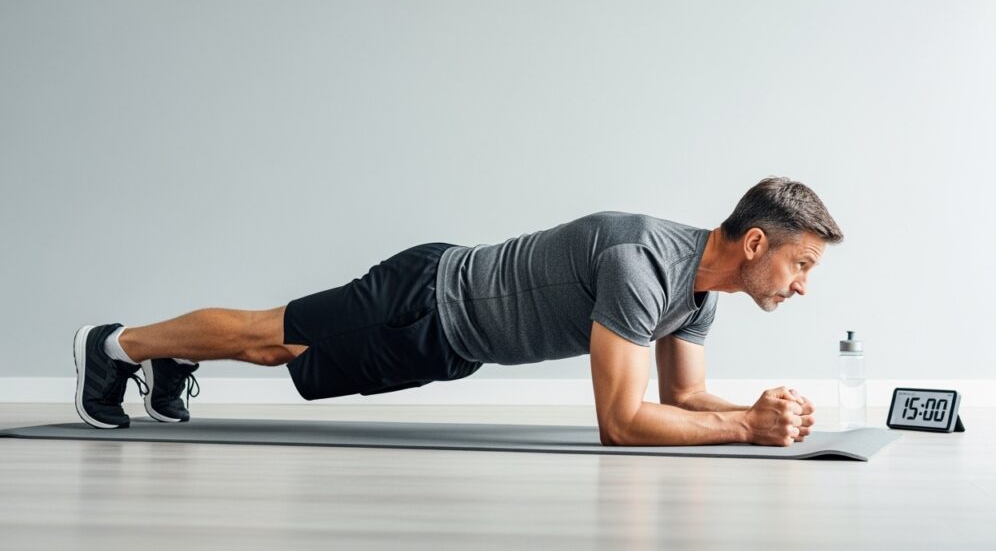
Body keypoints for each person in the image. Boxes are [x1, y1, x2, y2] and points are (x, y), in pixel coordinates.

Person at [73, 176, 843, 447]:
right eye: (802, 263)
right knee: (269, 339)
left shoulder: (697, 297)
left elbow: (684, 396)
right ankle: (115, 345)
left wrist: (755, 410)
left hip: (450, 344)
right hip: (425, 295)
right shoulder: (641, 260)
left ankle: (172, 356)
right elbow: (621, 421)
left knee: (295, 360)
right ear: (754, 242)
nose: (803, 284)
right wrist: (745, 426)